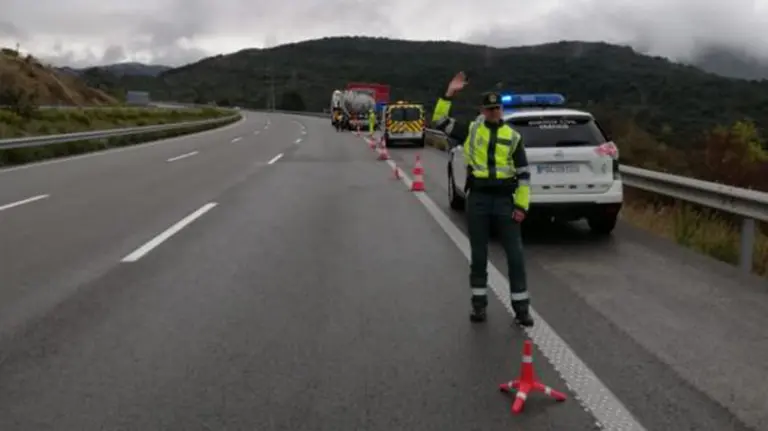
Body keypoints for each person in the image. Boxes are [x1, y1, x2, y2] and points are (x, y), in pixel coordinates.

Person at [431, 71, 534, 327]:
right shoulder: (471, 131)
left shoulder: (513, 137)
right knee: (478, 255)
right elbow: (439, 120)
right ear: (482, 110)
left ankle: (521, 308)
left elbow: (523, 175)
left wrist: (521, 205)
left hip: (504, 201)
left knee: (515, 255)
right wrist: (449, 94)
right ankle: (479, 305)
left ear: (501, 109)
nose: (493, 113)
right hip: (477, 199)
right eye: (488, 109)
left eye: (496, 108)